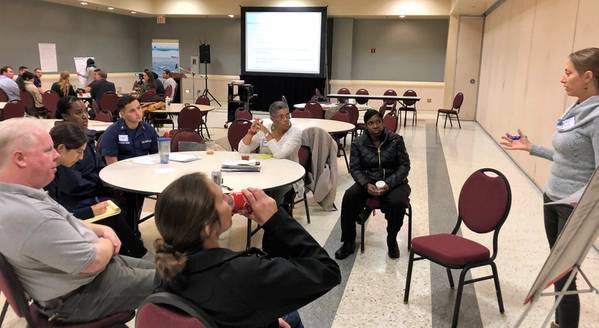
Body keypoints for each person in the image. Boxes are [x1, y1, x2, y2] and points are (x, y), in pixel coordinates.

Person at [0, 118, 154, 324]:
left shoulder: (18, 194)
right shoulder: (28, 214)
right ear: (20, 158)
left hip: (82, 277)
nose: (56, 156)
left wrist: (99, 229)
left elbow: (63, 219)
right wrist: (107, 240)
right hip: (80, 293)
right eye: (48, 151)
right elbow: (93, 262)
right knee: (183, 280)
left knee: (170, 270)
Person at [153, 172, 341, 328]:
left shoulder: (167, 266)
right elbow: (327, 271)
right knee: (292, 316)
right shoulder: (245, 272)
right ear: (208, 227)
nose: (230, 198)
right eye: (222, 198)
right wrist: (275, 220)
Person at [500, 47, 599, 328]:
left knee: (565, 273)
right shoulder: (577, 107)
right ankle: (559, 322)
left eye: (568, 73)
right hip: (553, 197)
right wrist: (532, 148)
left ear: (588, 76)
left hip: (573, 208)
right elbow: (568, 155)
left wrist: (579, 205)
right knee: (558, 271)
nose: (562, 78)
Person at [49, 103, 147, 258]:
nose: (81, 157)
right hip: (74, 209)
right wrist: (90, 210)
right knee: (112, 214)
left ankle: (132, 254)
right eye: (78, 152)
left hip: (80, 201)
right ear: (61, 149)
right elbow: (55, 216)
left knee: (116, 206)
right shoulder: (50, 173)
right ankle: (134, 254)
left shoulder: (76, 146)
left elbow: (98, 168)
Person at [335, 109, 411, 260]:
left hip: (394, 182)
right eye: (371, 123)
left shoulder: (396, 140)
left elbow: (405, 166)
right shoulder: (358, 143)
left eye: (378, 122)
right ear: (366, 126)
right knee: (349, 196)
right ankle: (348, 242)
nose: (375, 126)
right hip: (369, 181)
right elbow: (355, 168)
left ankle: (391, 239)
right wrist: (366, 184)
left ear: (383, 123)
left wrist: (389, 184)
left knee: (397, 202)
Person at [100, 95, 158, 232]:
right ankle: (131, 231)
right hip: (120, 180)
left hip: (143, 176)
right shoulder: (112, 132)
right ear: (122, 114)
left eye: (139, 108)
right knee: (130, 200)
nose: (138, 113)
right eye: (132, 111)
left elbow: (157, 158)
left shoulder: (148, 130)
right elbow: (111, 166)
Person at [238, 101, 302, 205]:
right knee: (249, 185)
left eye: (287, 116)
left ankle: (273, 216)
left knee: (275, 192)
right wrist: (250, 133)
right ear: (272, 119)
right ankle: (262, 215)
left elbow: (279, 155)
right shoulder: (265, 127)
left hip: (288, 176)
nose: (286, 120)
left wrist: (267, 133)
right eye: (281, 117)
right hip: (265, 172)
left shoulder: (295, 132)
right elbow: (242, 151)